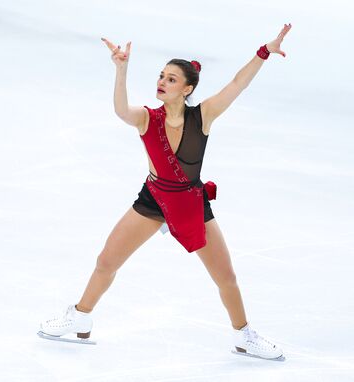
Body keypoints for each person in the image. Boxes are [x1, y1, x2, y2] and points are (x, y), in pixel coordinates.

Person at [39, 23, 292, 361]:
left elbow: (236, 85)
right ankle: (80, 316)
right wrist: (121, 70)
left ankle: (244, 334)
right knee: (106, 261)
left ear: (187, 88)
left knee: (226, 277)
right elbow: (120, 110)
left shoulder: (203, 115)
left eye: (171, 79)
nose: (161, 82)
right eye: (161, 76)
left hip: (189, 203)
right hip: (154, 200)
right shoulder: (147, 118)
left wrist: (264, 52)